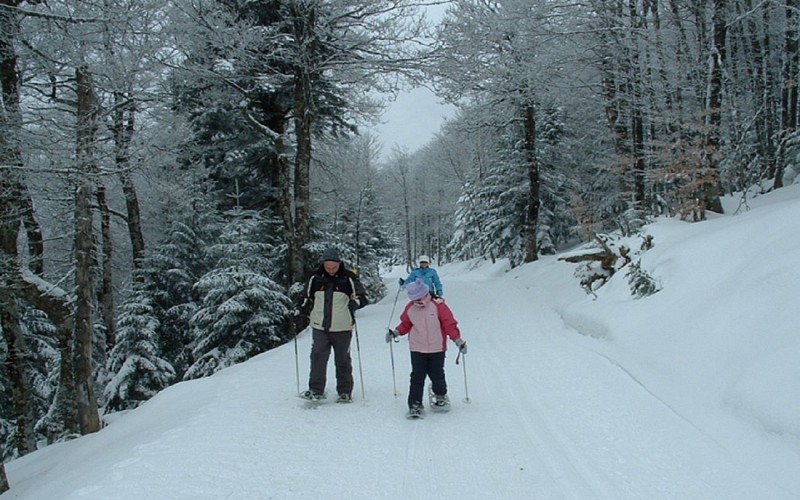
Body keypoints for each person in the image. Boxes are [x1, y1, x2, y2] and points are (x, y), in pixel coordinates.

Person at [292, 247, 368, 403]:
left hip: (342, 327)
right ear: (323, 264)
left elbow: (363, 297)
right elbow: (305, 297)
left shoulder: (348, 278)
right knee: (317, 357)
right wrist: (298, 309)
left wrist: (356, 303)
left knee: (343, 360)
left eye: (334, 267)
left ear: (339, 263)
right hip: (319, 326)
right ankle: (316, 390)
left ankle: (345, 391)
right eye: (328, 267)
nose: (331, 270)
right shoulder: (315, 278)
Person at [386, 278, 466, 418]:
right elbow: (405, 324)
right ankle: (415, 404)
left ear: (425, 293)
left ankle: (440, 395)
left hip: (437, 347)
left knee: (437, 374)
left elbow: (449, 324)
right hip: (417, 347)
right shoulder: (410, 308)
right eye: (414, 299)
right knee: (417, 376)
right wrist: (396, 332)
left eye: (420, 298)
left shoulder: (438, 305)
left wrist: (458, 340)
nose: (418, 301)